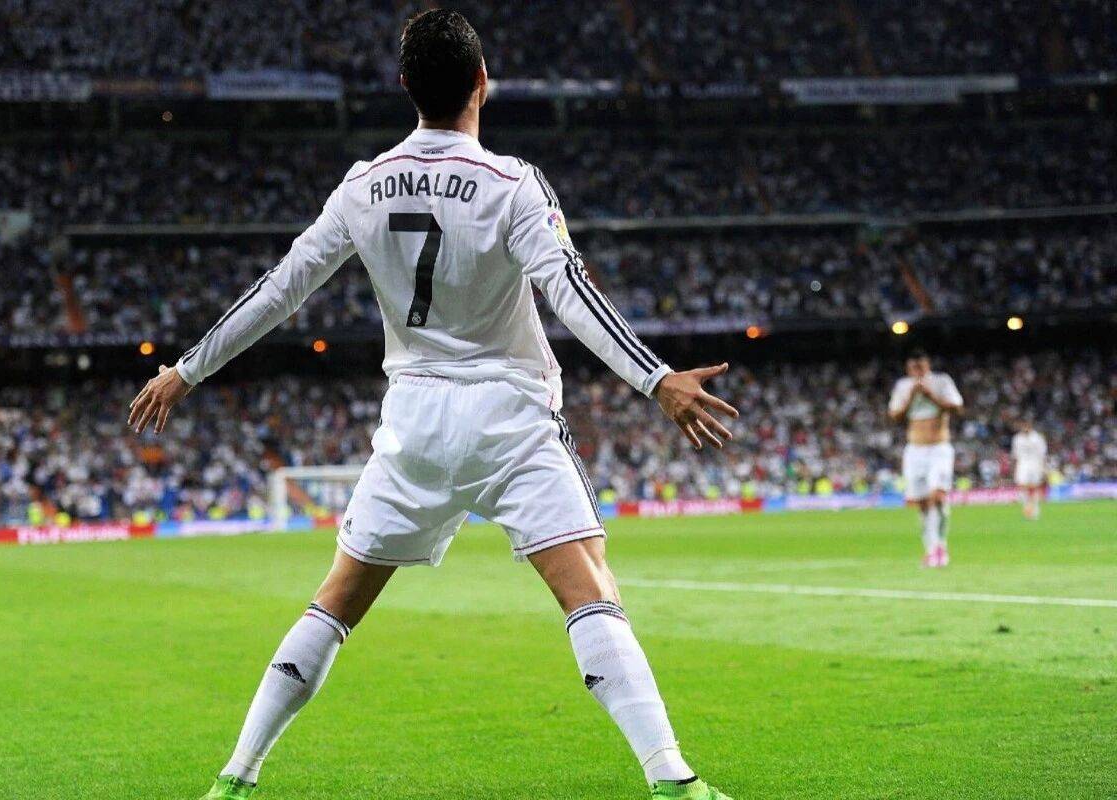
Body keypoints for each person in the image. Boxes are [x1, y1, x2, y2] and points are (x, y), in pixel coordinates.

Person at [128, 10, 737, 799]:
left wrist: (186, 369)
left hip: (413, 423)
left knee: (336, 602)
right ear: (483, 82)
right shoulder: (512, 183)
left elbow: (281, 290)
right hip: (508, 416)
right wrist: (656, 378)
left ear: (405, 86)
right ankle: (674, 781)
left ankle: (234, 779)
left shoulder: (363, 184)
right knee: (588, 589)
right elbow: (568, 290)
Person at [888, 348, 964, 567]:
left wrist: (931, 396)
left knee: (938, 496)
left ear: (927, 364)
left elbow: (958, 409)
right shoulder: (903, 386)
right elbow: (895, 416)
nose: (917, 371)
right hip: (915, 450)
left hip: (939, 448)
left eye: (920, 366)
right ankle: (931, 549)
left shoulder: (941, 382)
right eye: (913, 367)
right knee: (922, 502)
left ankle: (941, 545)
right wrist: (912, 396)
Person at [1011, 419, 1047, 520]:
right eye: (1023, 425)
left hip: (1035, 464)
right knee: (1022, 485)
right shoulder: (1017, 439)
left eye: (1026, 425)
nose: (1025, 427)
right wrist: (1014, 469)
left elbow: (1043, 454)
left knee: (1034, 486)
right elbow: (1015, 455)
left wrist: (1043, 468)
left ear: (1030, 426)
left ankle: (1035, 508)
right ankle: (1027, 507)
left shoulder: (1038, 438)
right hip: (1022, 464)